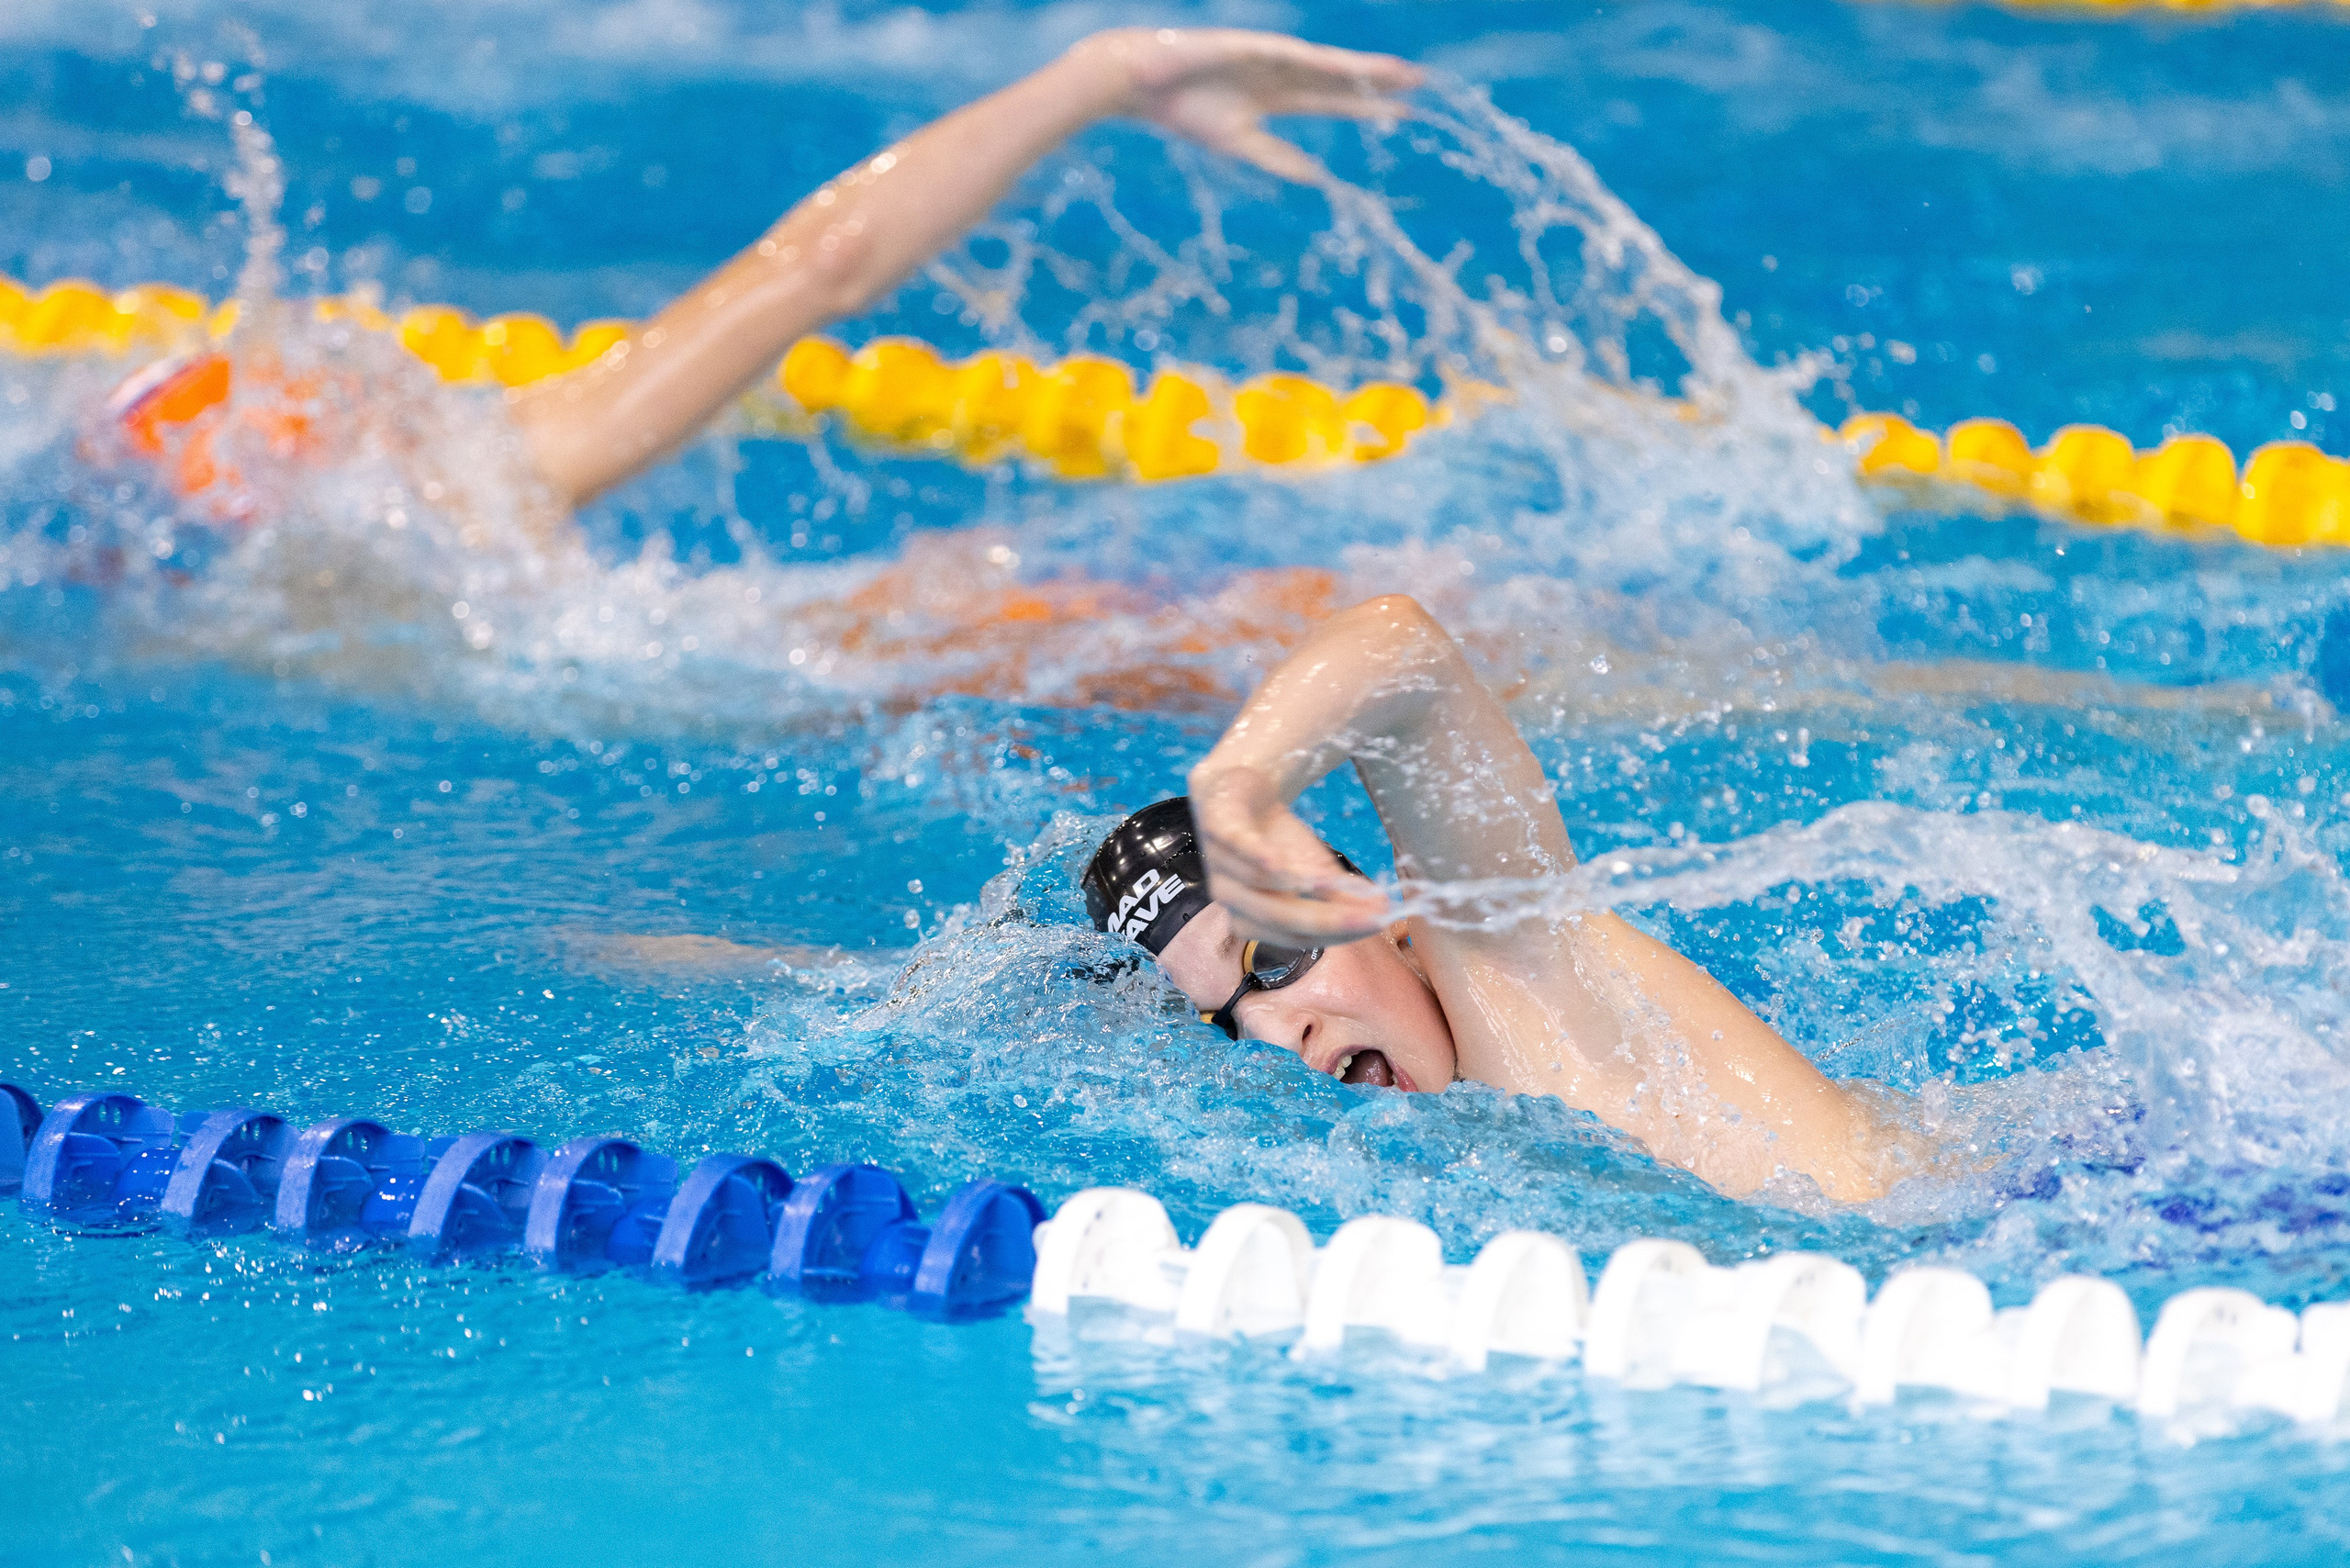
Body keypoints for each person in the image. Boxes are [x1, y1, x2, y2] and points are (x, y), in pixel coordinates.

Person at [115, 28, 1423, 512]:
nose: (392, 387)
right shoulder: (471, 498)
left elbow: (826, 266)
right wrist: (1093, 82)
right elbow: (821, 267)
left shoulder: (466, 507)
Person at [1081, 594, 1926, 1203]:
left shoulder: (1515, 973)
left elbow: (1402, 652)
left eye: (1271, 958)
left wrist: (1240, 786)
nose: (1271, 1036)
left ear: (1373, 909)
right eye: (1219, 1025)